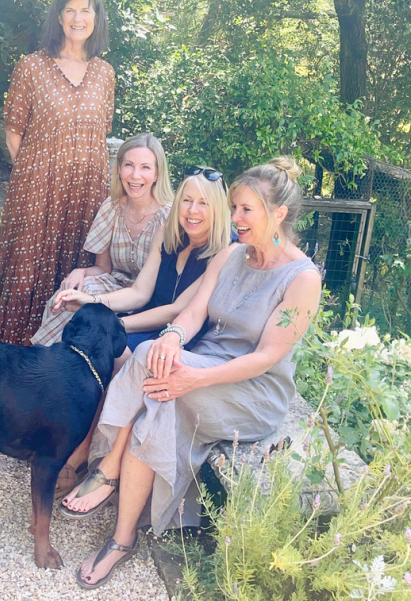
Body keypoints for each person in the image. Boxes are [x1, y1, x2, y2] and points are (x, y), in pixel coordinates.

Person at [61, 157, 323, 590]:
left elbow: (266, 357)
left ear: (277, 215)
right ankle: (120, 522)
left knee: (166, 392)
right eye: (235, 208)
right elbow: (194, 313)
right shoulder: (232, 254)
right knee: (151, 354)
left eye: (245, 210)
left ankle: (110, 491)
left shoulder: (302, 278)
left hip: (253, 389)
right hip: (203, 363)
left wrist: (192, 378)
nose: (234, 218)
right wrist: (172, 337)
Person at [48, 167, 233, 499]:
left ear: (219, 208)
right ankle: (68, 437)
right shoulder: (169, 232)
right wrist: (93, 301)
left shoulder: (224, 250)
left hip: (179, 335)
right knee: (92, 346)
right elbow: (140, 292)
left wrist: (117, 325)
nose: (192, 211)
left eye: (203, 203)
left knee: (120, 357)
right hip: (144, 317)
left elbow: (179, 311)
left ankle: (84, 457)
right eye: (187, 200)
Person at [0, 0, 115, 345]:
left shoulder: (105, 74)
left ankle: (59, 360)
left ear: (96, 18)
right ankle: (11, 352)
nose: (77, 18)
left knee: (75, 270)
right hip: (37, 190)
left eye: (85, 10)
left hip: (86, 195)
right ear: (58, 17)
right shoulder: (32, 67)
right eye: (70, 9)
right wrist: (35, 179)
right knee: (27, 270)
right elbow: (14, 133)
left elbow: (99, 134)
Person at [30, 133, 174, 348]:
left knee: (85, 309)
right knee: (69, 296)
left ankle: (50, 363)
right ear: (118, 169)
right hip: (113, 284)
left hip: (148, 298)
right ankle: (42, 355)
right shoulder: (112, 207)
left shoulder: (169, 217)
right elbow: (103, 267)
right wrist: (82, 272)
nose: (135, 175)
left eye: (145, 167)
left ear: (157, 174)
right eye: (129, 165)